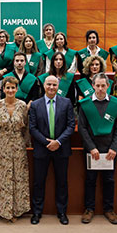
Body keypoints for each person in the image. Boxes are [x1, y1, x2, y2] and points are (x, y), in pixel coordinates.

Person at [28, 75, 75, 225]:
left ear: (58, 86)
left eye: (54, 85)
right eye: (49, 84)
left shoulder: (66, 103)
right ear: (44, 85)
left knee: (62, 182)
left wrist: (58, 142)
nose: (51, 87)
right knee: (38, 182)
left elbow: (70, 125)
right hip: (42, 149)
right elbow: (32, 128)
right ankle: (37, 212)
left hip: (61, 149)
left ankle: (62, 212)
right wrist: (46, 142)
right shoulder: (35, 105)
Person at [78, 74, 117, 224]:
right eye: (97, 86)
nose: (100, 89)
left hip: (109, 150)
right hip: (92, 150)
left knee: (109, 180)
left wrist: (114, 147)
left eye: (103, 86)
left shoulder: (116, 104)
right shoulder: (85, 104)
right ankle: (89, 209)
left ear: (108, 86)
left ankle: (109, 209)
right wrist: (91, 147)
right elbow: (82, 128)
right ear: (92, 86)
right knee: (90, 180)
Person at [0, 76, 31, 222]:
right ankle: (4, 211)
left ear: (17, 89)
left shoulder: (22, 105)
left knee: (18, 178)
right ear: (4, 89)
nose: (10, 90)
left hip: (19, 146)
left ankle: (18, 210)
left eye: (13, 87)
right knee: (3, 179)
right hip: (2, 146)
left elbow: (26, 127)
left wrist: (27, 144)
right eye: (8, 87)